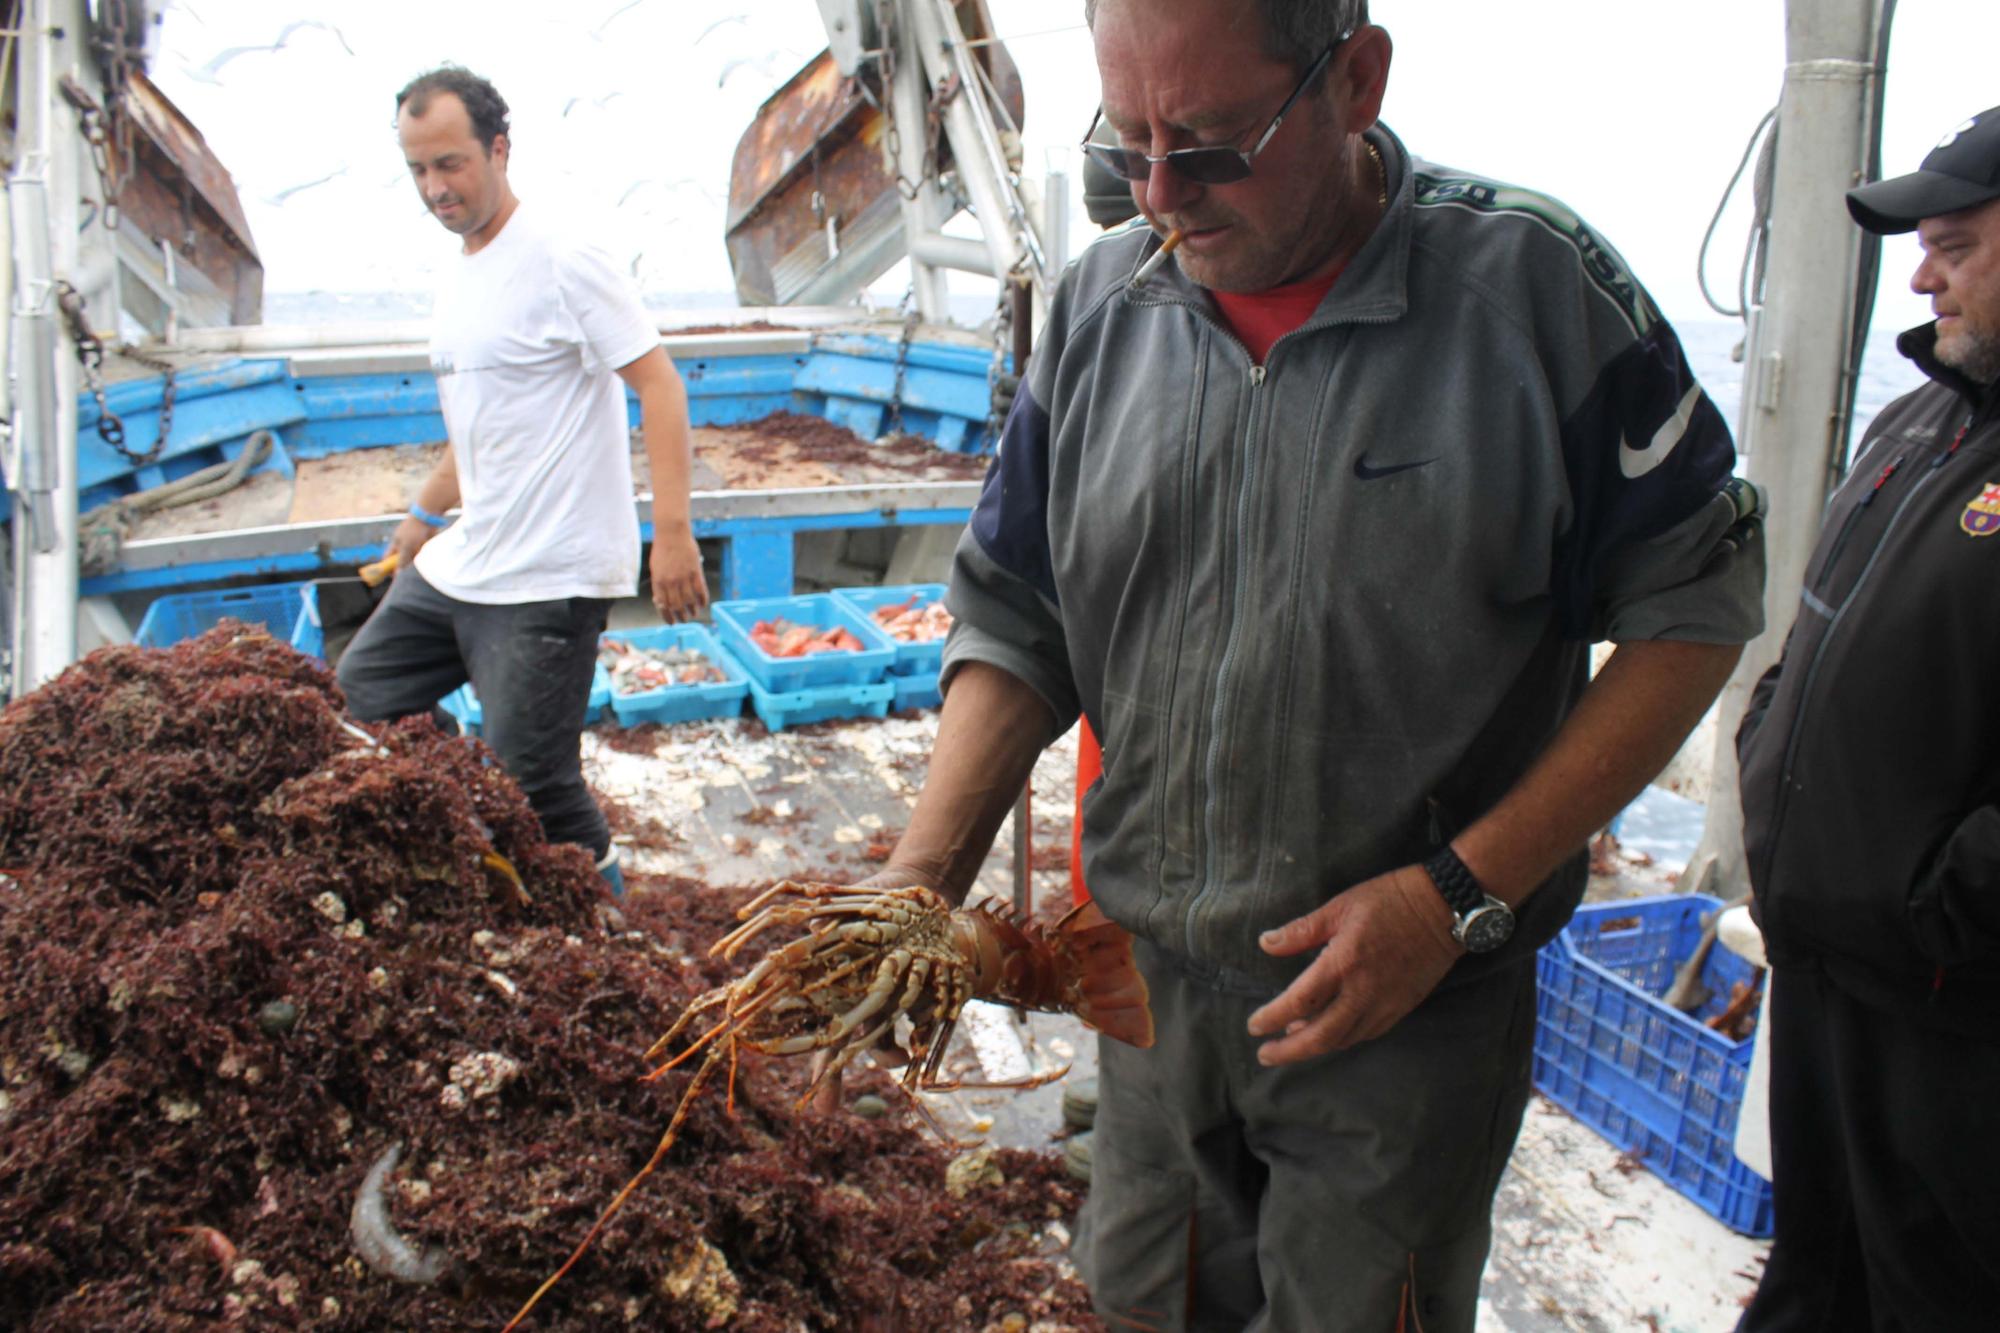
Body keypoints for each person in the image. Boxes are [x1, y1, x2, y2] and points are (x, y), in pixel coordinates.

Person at [859, 0, 1769, 1327]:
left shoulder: (1537, 298)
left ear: (1356, 78)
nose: (1163, 196)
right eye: (1132, 142)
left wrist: (1458, 891)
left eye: (1214, 143)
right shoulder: (1105, 305)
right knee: (1141, 1302)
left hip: (1402, 1018)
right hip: (1147, 999)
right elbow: (1015, 608)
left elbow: (1696, 609)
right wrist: (916, 882)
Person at [1736, 106, 2000, 1329]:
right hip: (1829, 976)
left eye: (1955, 244)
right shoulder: (1919, 423)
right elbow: (1814, 639)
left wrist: (1925, 911)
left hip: (1948, 1022)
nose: (1920, 273)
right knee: (1815, 1279)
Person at [336, 66, 705, 896]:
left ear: (499, 149)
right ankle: (455, 847)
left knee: (535, 787)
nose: (436, 188)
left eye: (451, 164)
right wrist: (420, 517)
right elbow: (480, 428)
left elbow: (660, 385)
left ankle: (613, 929)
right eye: (418, 171)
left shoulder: (564, 256)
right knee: (358, 697)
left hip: (550, 574)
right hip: (468, 558)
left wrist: (671, 534)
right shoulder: (461, 274)